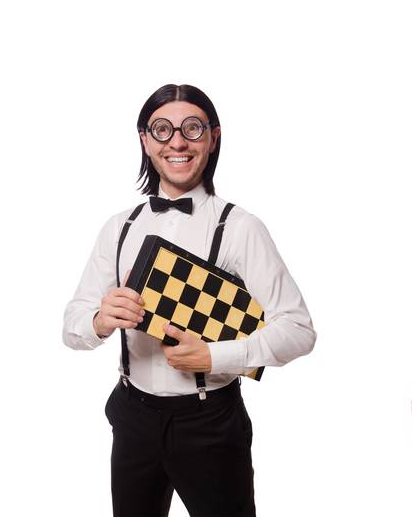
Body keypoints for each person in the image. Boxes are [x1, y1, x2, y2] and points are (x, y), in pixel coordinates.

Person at [62, 84, 317, 516]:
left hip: (209, 423)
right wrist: (99, 321)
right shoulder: (119, 227)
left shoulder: (239, 227)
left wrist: (216, 357)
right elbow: (73, 325)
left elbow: (298, 330)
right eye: (162, 130)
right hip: (132, 416)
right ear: (145, 139)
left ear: (213, 137)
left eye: (192, 128)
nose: (177, 142)